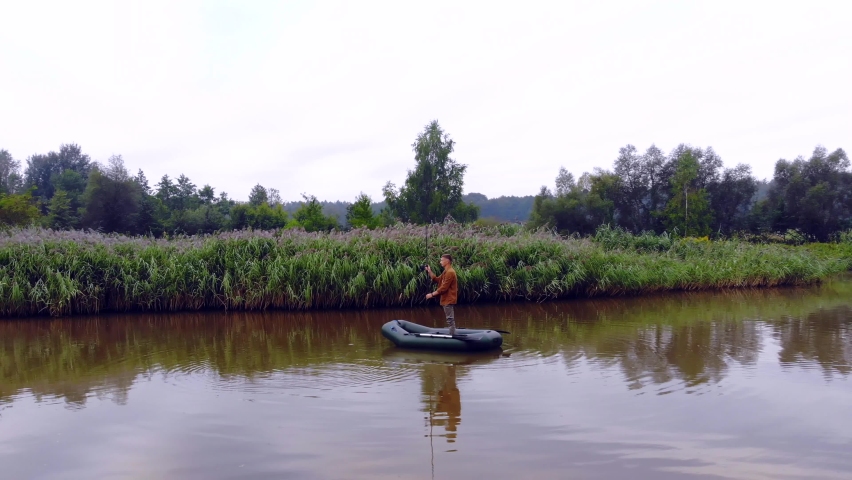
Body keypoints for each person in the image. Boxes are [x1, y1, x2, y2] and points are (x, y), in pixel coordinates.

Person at [425, 254, 458, 335]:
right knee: (449, 319)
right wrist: (429, 271)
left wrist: (432, 294)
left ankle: (452, 336)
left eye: (441, 260)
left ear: (447, 261)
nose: (440, 262)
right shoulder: (446, 272)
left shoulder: (450, 272)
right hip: (446, 299)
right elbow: (436, 279)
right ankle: (452, 333)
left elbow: (443, 288)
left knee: (450, 319)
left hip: (449, 299)